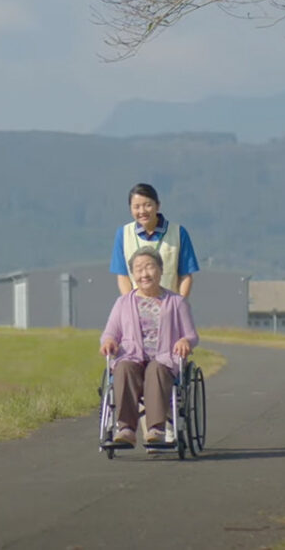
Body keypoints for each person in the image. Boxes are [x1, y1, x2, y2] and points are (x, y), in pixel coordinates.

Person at [99, 246, 199, 446]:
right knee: (123, 367)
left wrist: (184, 341)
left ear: (160, 270)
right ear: (133, 275)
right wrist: (109, 342)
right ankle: (126, 428)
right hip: (132, 357)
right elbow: (110, 333)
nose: (144, 274)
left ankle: (156, 429)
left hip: (163, 359)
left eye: (149, 267)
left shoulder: (177, 302)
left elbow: (191, 335)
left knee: (156, 369)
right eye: (138, 269)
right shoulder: (122, 303)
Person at [111, 183, 199, 297]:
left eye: (147, 205)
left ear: (157, 206)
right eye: (136, 207)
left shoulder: (178, 233)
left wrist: (179, 305)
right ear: (130, 209)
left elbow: (186, 276)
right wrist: (130, 306)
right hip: (137, 308)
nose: (142, 211)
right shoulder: (123, 234)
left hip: (169, 306)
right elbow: (123, 276)